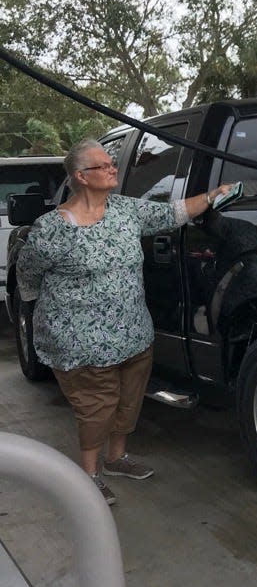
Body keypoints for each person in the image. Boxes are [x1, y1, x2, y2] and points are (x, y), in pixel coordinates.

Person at [16, 138, 233, 506]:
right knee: (96, 407)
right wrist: (53, 316)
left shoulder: (124, 211)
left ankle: (116, 459)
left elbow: (173, 213)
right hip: (79, 342)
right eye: (104, 165)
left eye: (112, 163)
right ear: (82, 176)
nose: (113, 168)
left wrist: (212, 195)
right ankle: (89, 476)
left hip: (133, 335)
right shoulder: (51, 228)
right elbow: (29, 275)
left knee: (128, 401)